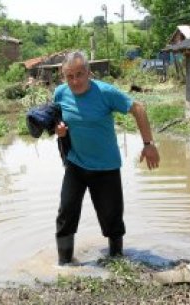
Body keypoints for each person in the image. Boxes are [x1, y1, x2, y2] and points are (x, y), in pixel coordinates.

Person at [54, 51, 160, 265]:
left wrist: (148, 144)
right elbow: (56, 120)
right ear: (64, 76)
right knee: (66, 213)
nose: (75, 81)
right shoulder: (60, 93)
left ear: (89, 73)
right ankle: (64, 264)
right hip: (75, 164)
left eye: (79, 74)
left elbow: (137, 108)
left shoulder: (105, 92)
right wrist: (59, 130)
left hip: (106, 167)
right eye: (70, 76)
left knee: (112, 219)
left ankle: (117, 262)